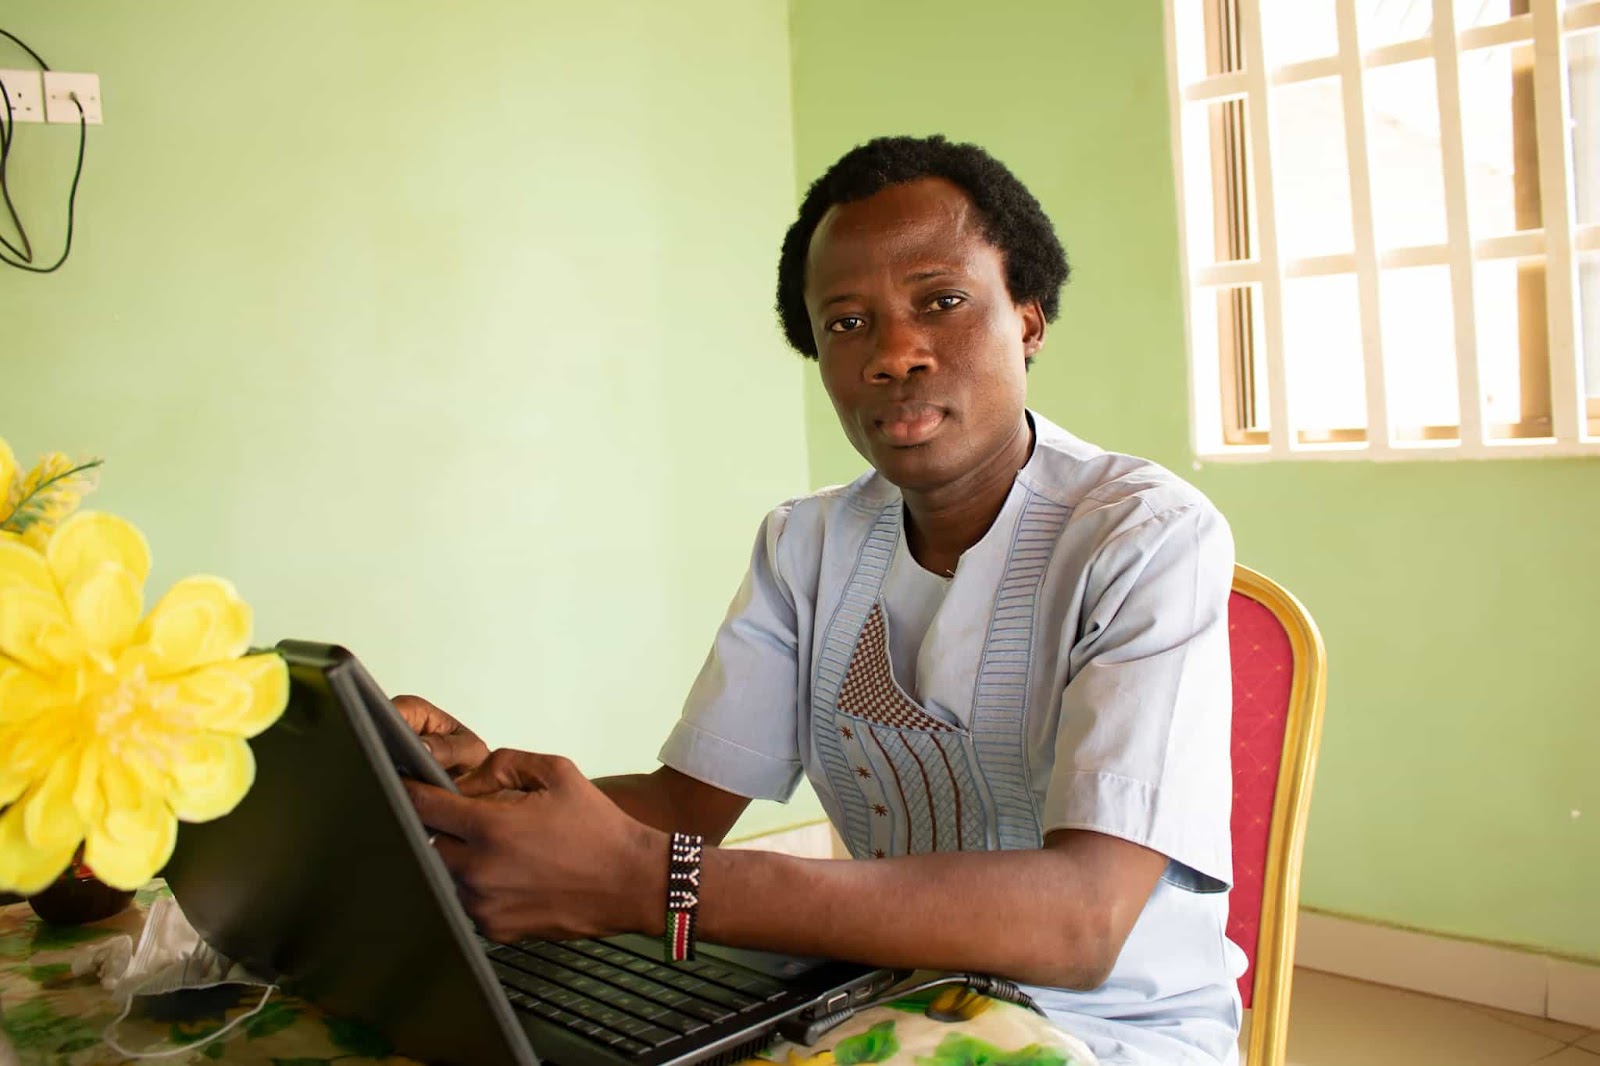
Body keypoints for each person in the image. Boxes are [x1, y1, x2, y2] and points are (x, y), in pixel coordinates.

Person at [399, 135, 1245, 1066]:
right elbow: (687, 806)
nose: (893, 354)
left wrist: (660, 885)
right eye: (846, 323)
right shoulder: (806, 542)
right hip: (867, 997)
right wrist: (477, 807)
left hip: (1105, 1032)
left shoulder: (1145, 535)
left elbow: (1082, 924)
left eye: (942, 302)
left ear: (1030, 317)